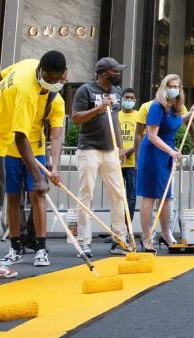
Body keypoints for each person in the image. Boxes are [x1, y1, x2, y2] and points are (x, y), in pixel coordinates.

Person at [0, 51, 66, 278]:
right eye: (49, 79)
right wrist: (39, 176)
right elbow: (19, 137)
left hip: (21, 146)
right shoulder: (27, 93)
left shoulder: (37, 74)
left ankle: (36, 247)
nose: (53, 84)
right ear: (41, 70)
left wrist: (54, 169)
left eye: (57, 80)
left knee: (19, 199)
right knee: (0, 199)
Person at [0, 68, 66, 268]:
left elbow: (56, 136)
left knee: (38, 196)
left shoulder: (56, 101)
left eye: (61, 78)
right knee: (12, 197)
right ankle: (15, 246)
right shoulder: (25, 90)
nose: (58, 81)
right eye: (56, 77)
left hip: (35, 150)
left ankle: (41, 247)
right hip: (10, 148)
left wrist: (55, 168)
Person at [71, 57, 128, 257]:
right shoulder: (85, 90)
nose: (119, 75)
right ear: (104, 74)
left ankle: (120, 239)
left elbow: (116, 120)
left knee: (118, 195)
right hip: (89, 149)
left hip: (110, 149)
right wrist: (99, 108)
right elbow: (76, 118)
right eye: (115, 72)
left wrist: (120, 147)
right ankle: (84, 242)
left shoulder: (117, 91)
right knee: (86, 195)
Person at [135, 74, 194, 252]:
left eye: (176, 86)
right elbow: (152, 136)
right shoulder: (157, 107)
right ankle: (146, 237)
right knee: (150, 196)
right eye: (170, 86)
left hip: (167, 155)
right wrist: (171, 151)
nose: (173, 89)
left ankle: (166, 234)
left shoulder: (174, 108)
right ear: (164, 87)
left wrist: (190, 113)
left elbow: (174, 123)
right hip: (154, 153)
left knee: (167, 198)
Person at [119, 88, 140, 221]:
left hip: (132, 163)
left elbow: (141, 137)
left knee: (131, 197)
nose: (129, 100)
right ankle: (117, 229)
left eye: (132, 98)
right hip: (117, 162)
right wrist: (120, 151)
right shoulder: (116, 115)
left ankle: (128, 228)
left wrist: (128, 151)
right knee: (117, 197)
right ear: (122, 99)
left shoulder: (138, 115)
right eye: (127, 97)